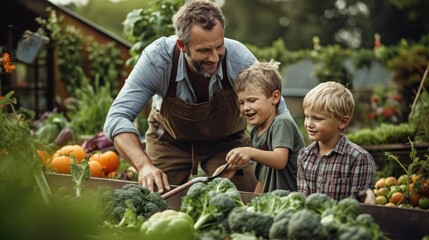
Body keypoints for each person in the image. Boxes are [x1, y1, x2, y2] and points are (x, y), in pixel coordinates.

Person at [103, 0, 290, 193]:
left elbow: (278, 113)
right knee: (156, 198)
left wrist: (283, 156)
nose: (215, 58)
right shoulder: (157, 60)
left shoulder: (239, 59)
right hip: (169, 141)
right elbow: (117, 117)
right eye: (204, 50)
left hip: (227, 143)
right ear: (182, 45)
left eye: (219, 46)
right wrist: (144, 166)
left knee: (243, 199)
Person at [215, 60, 305, 193]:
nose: (246, 108)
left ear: (274, 97)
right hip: (273, 202)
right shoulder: (257, 131)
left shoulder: (282, 123)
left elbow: (280, 160)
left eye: (252, 100)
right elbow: (263, 178)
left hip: (290, 202)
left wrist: (249, 152)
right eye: (241, 102)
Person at [297, 81, 376, 204]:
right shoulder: (304, 156)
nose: (309, 124)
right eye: (307, 116)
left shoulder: (358, 158)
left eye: (317, 118)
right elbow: (302, 199)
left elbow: (359, 206)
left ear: (342, 122)